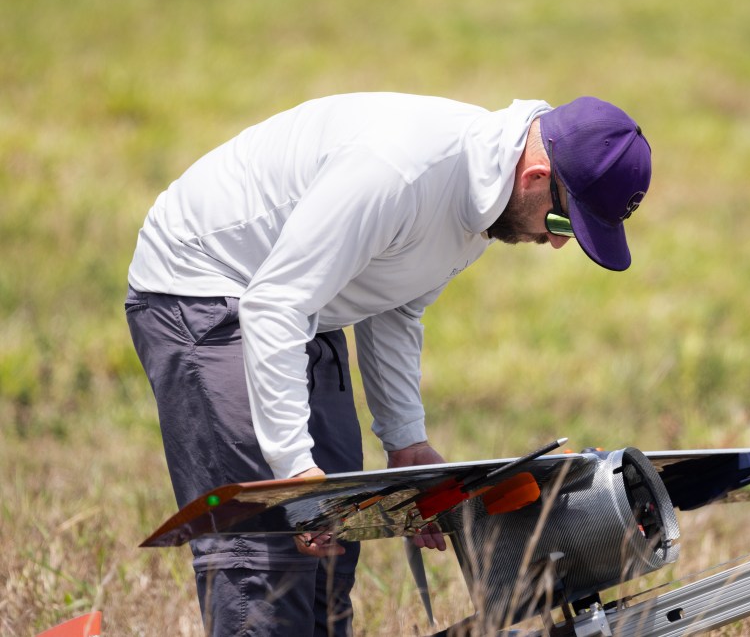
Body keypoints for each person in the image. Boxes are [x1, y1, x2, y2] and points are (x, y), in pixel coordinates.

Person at [125, 92, 651, 636]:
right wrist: (292, 469)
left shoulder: (486, 200)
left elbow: (397, 301)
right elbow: (275, 303)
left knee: (334, 541)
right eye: (564, 223)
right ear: (535, 176)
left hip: (302, 303)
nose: (556, 243)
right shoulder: (401, 171)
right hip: (205, 287)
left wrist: (405, 441)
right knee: (268, 550)